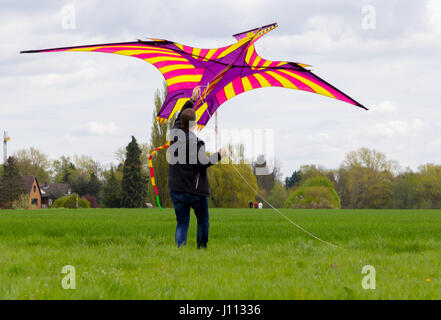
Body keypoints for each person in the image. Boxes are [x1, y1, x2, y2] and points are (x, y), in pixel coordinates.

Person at [168, 86, 227, 249]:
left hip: (176, 189)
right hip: (195, 191)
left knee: (182, 223)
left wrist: (193, 99)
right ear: (193, 124)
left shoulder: (174, 133)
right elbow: (202, 163)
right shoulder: (196, 142)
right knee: (202, 219)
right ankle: (201, 248)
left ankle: (180, 250)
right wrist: (219, 155)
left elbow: (180, 117)